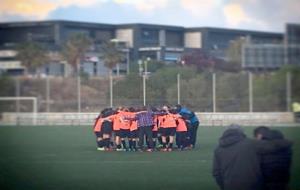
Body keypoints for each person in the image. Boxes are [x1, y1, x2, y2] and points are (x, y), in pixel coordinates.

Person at [212, 124, 292, 190]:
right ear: (241, 132)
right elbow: (273, 146)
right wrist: (287, 142)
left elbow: (216, 173)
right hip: (253, 186)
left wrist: (224, 186)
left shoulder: (218, 149)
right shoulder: (251, 143)